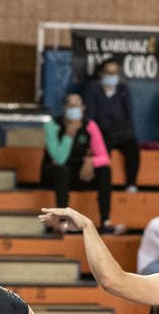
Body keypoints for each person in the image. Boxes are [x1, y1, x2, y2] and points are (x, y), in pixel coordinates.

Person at [41, 92, 114, 233]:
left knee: (104, 170)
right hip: (54, 175)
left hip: (80, 174)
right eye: (70, 105)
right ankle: (62, 221)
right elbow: (59, 158)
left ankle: (105, 221)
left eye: (77, 105)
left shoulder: (90, 125)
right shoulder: (52, 125)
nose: (74, 108)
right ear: (64, 108)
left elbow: (104, 157)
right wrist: (68, 135)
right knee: (61, 169)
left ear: (83, 108)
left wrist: (91, 161)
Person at [83, 59, 140, 192]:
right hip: (101, 133)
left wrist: (125, 131)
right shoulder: (93, 88)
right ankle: (98, 186)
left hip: (121, 133)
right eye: (108, 72)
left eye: (114, 73)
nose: (111, 76)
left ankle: (131, 184)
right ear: (101, 73)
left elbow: (128, 114)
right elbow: (90, 116)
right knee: (100, 151)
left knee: (133, 148)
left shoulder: (123, 89)